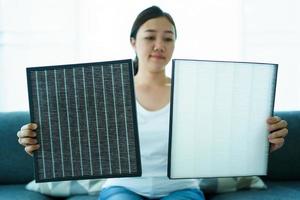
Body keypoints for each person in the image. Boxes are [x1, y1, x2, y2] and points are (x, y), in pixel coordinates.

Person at [17, 6, 288, 200]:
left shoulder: (194, 94)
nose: (159, 45)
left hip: (182, 190)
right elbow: (75, 140)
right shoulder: (108, 93)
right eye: (150, 37)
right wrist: (42, 145)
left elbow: (224, 139)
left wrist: (262, 144)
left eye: (168, 38)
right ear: (133, 42)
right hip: (122, 189)